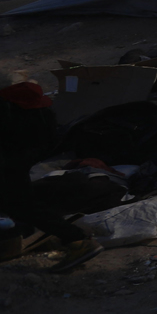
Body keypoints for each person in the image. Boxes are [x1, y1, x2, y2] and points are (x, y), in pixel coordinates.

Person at [1, 80, 101, 272]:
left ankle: (78, 240)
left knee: (23, 207)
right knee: (22, 206)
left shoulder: (12, 116)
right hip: (16, 164)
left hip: (9, 167)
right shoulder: (41, 115)